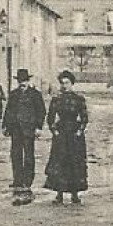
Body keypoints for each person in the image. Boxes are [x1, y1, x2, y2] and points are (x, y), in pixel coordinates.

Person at [1, 68, 48, 206]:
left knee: (28, 155)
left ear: (28, 81)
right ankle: (17, 180)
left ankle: (27, 181)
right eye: (20, 81)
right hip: (15, 129)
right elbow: (8, 110)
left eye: (24, 81)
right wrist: (5, 126)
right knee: (15, 154)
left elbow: (41, 111)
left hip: (29, 129)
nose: (22, 83)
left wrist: (39, 127)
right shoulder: (14, 94)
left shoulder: (35, 95)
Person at [44, 69, 91, 206]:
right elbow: (50, 118)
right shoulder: (56, 100)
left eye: (67, 83)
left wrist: (80, 131)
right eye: (62, 83)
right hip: (61, 134)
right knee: (60, 162)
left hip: (74, 135)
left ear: (72, 83)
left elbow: (84, 118)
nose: (64, 86)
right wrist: (54, 131)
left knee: (75, 163)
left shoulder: (78, 99)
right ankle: (59, 194)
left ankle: (75, 194)